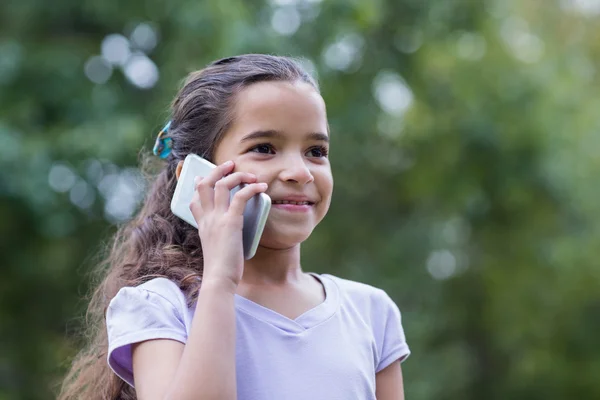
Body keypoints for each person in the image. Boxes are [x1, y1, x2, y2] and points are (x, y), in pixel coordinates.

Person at [59, 54, 410, 400]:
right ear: (195, 177)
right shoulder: (159, 307)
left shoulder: (371, 313)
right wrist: (220, 281)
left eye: (316, 151)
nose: (300, 172)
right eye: (264, 148)